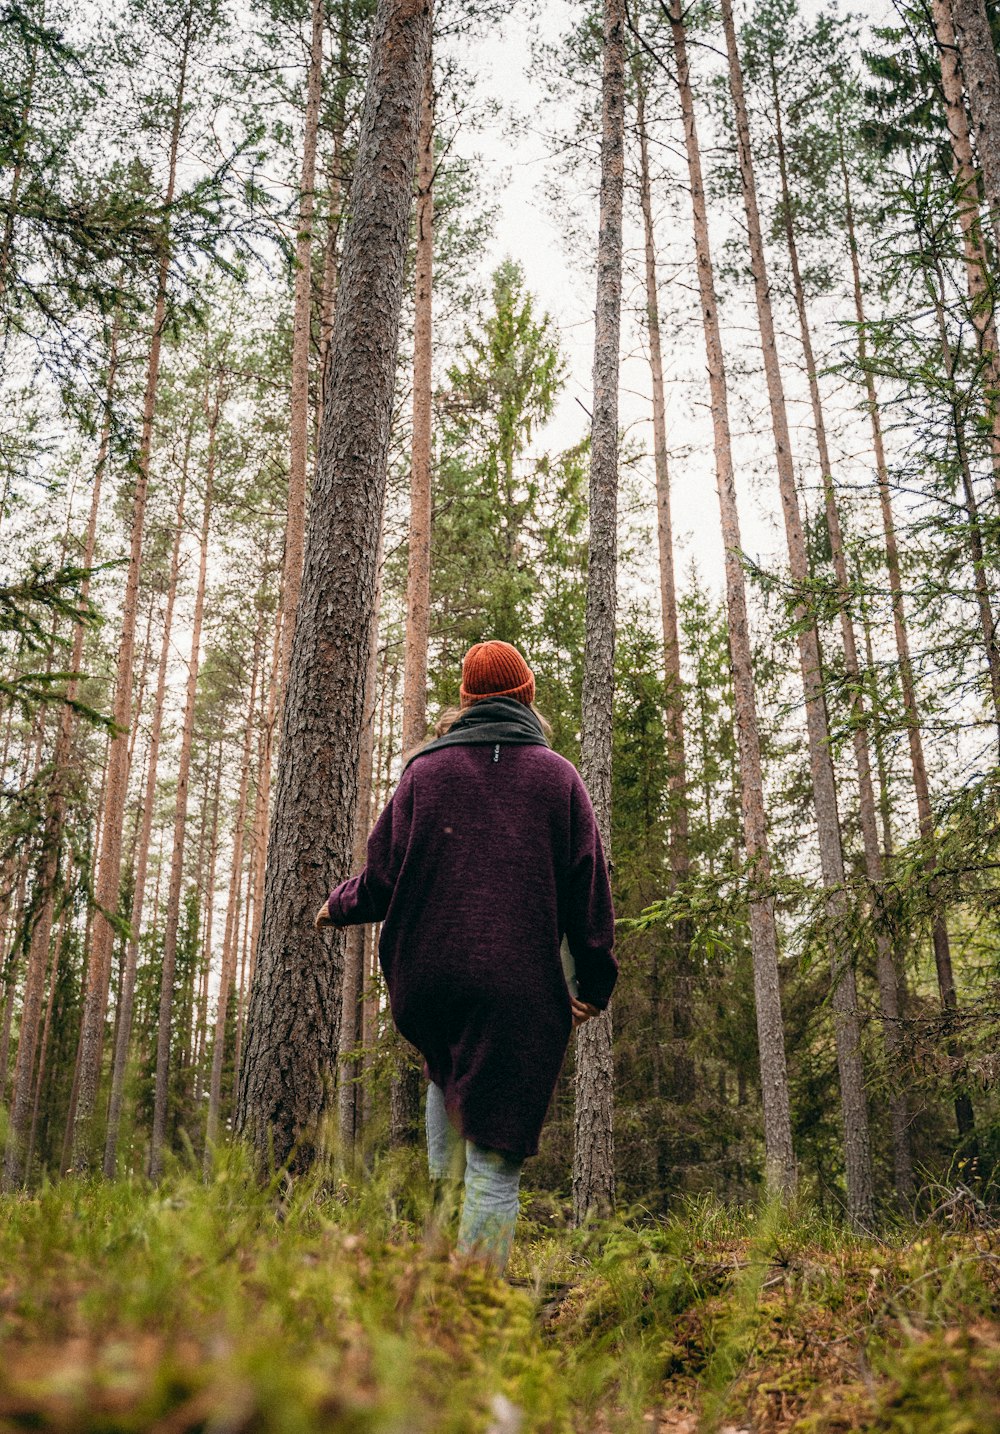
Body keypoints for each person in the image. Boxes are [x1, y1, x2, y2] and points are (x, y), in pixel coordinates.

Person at [315, 639, 617, 1272]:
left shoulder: (424, 774)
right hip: (515, 986)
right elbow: (588, 888)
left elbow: (381, 877)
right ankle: (473, 1309)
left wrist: (337, 905)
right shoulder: (558, 778)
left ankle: (438, 1282)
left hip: (429, 979)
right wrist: (593, 980)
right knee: (493, 1164)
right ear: (528, 696)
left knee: (448, 1071)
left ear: (465, 701)